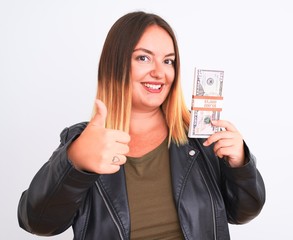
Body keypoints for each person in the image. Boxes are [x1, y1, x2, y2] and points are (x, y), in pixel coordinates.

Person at [17, 11, 266, 240]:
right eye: (143, 58)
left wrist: (241, 164)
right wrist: (74, 163)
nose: (159, 72)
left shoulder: (201, 137)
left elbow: (242, 212)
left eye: (168, 61)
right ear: (115, 65)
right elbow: (38, 222)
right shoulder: (85, 141)